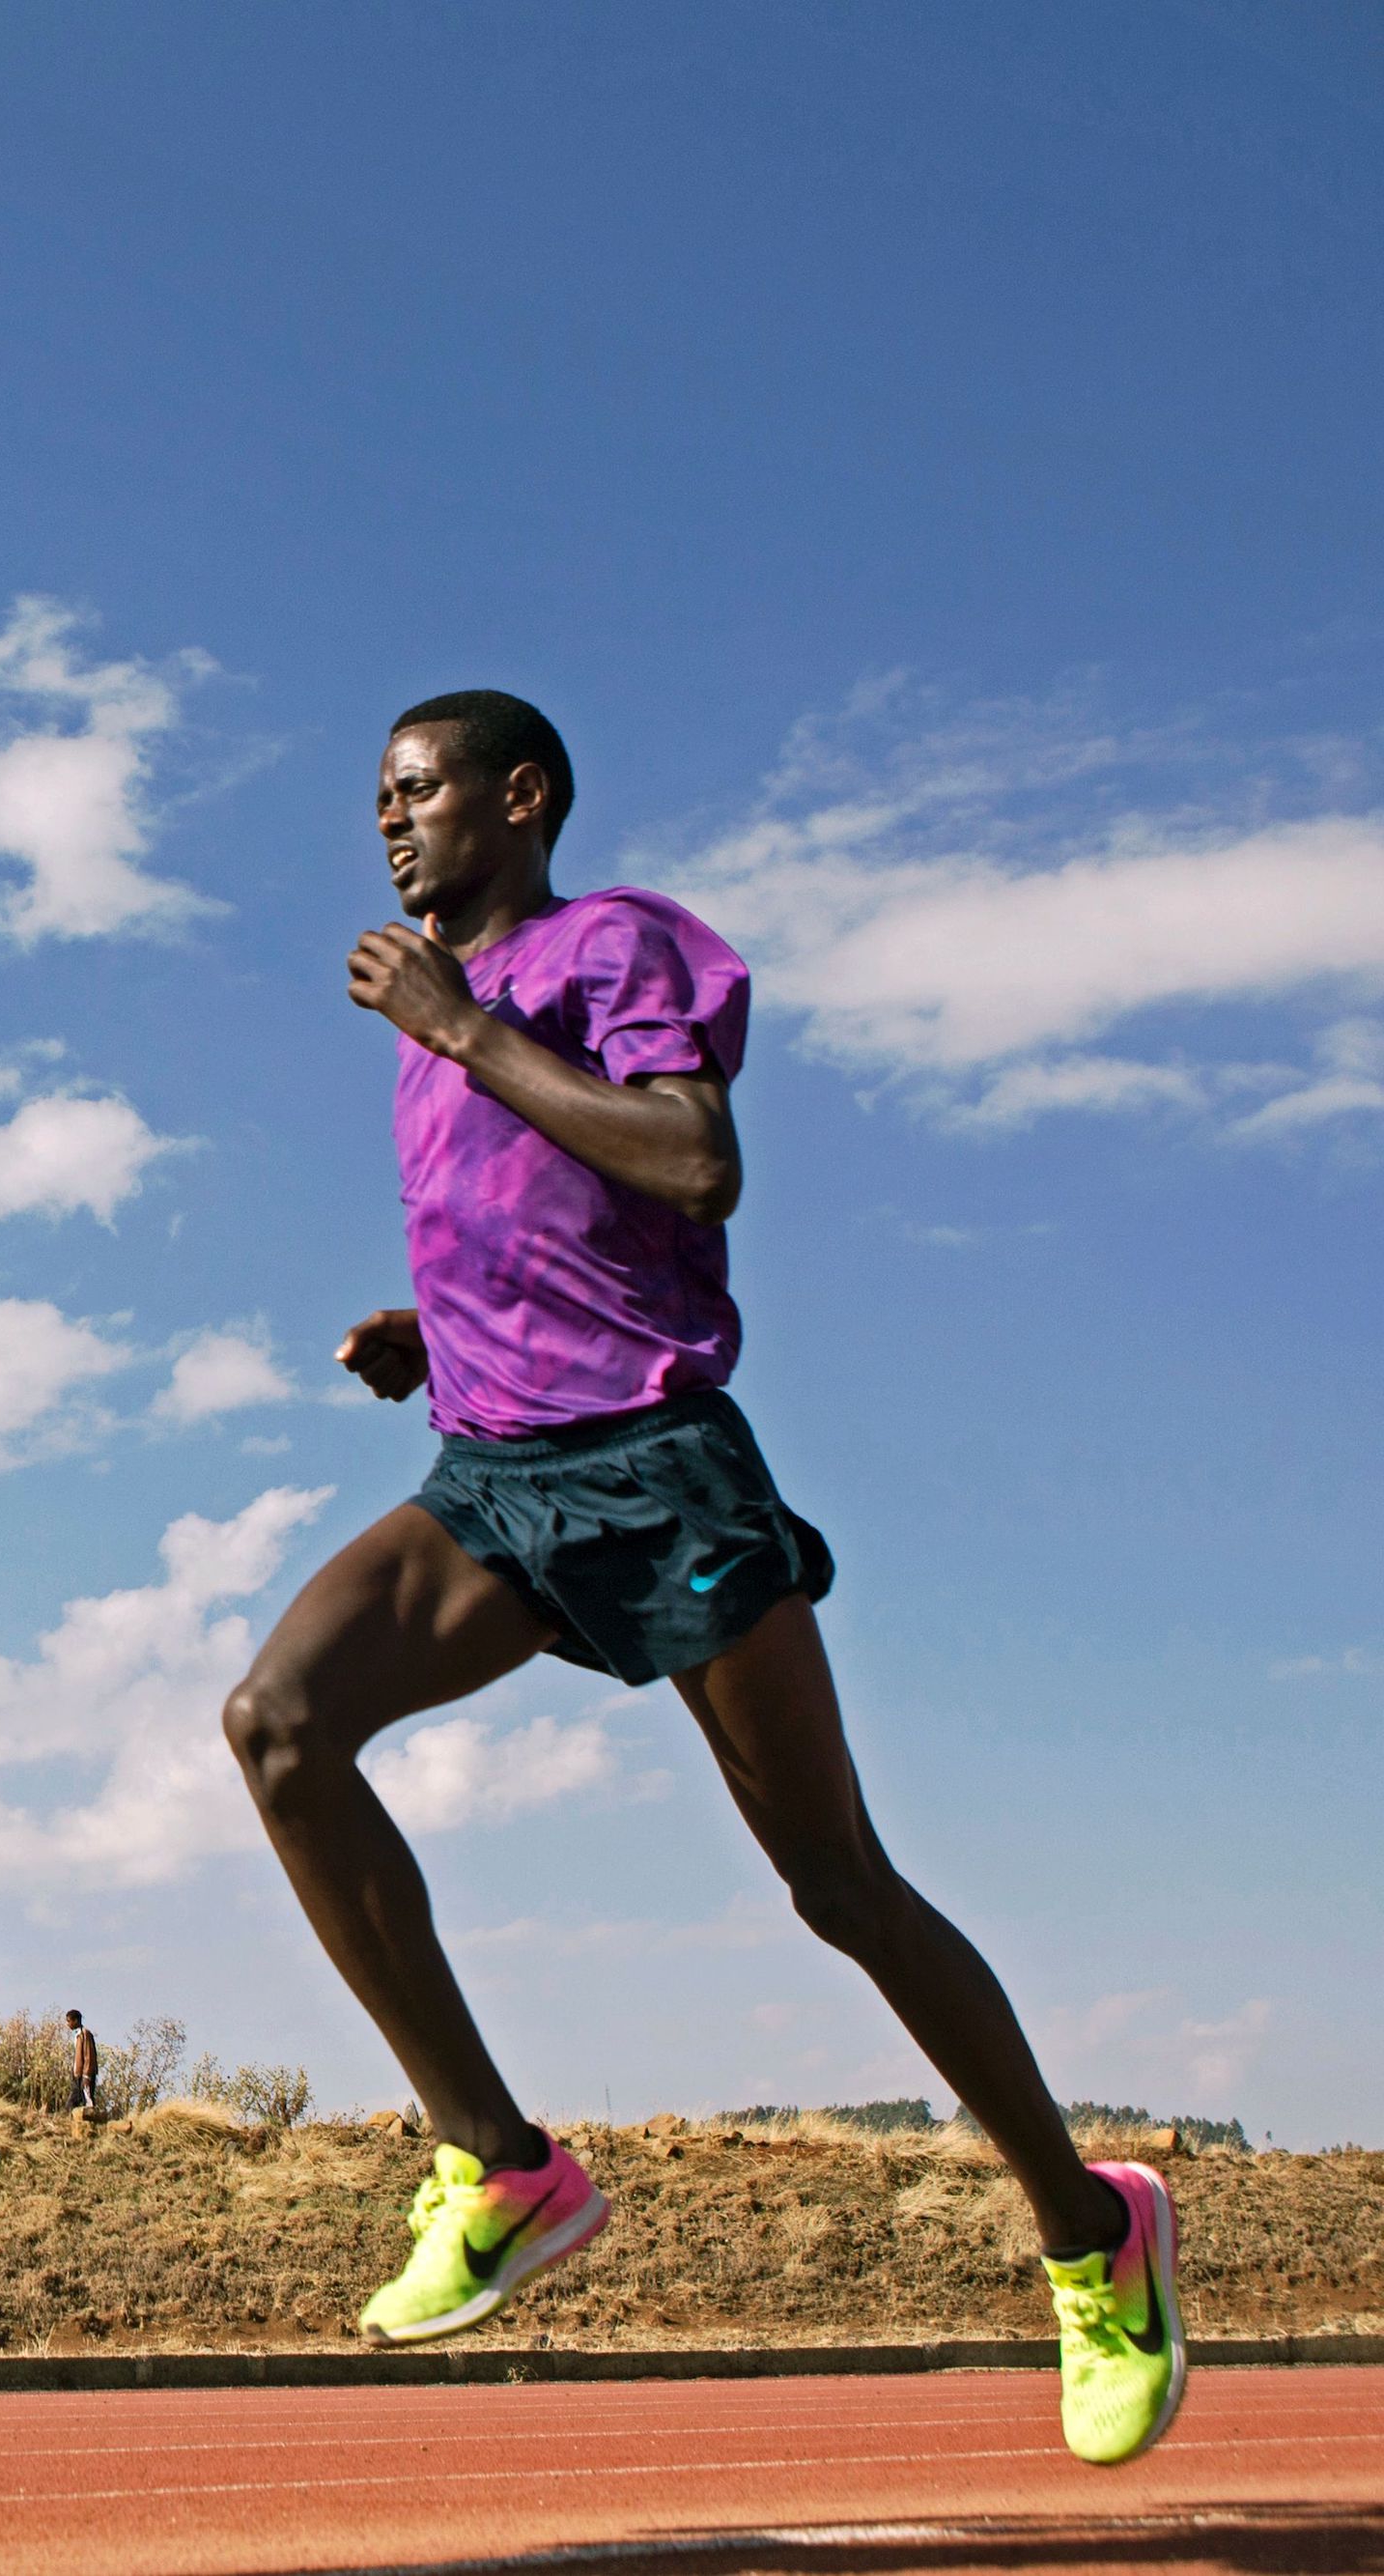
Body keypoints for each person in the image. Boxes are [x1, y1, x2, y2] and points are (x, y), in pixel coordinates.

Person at [220, 691, 1180, 2466]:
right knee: (278, 1722)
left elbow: (691, 1161)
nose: (390, 821)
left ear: (521, 795)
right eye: (379, 798)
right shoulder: (437, 1024)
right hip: (496, 1477)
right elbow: (559, 1221)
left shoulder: (609, 944)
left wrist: (461, 1027)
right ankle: (502, 2162)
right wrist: (435, 1326)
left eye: (419, 790)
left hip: (657, 1472)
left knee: (840, 1884)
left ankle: (1088, 2227)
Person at [67, 2007, 99, 2115]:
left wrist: (87, 2076)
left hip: (85, 2075)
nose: (68, 2024)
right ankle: (74, 2121)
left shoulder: (85, 2034)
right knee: (74, 2100)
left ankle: (92, 2121)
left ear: (76, 2020)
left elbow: (89, 2056)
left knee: (88, 2102)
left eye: (69, 2021)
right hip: (78, 2075)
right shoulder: (78, 2035)